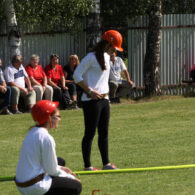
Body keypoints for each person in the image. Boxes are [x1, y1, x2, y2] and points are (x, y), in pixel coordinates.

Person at [73, 30, 123, 170]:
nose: (115, 50)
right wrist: (89, 90)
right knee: (90, 133)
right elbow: (77, 75)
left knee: (104, 133)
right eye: (114, 47)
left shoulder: (107, 57)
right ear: (107, 44)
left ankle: (106, 163)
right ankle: (87, 165)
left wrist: (106, 98)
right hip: (91, 102)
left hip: (104, 100)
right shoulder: (90, 57)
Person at [15, 100, 82, 195]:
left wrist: (60, 167)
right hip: (34, 187)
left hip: (22, 183)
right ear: (49, 118)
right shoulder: (46, 138)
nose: (60, 119)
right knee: (77, 186)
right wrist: (69, 176)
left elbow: (49, 166)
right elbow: (51, 170)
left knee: (60, 161)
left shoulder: (32, 132)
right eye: (58, 116)